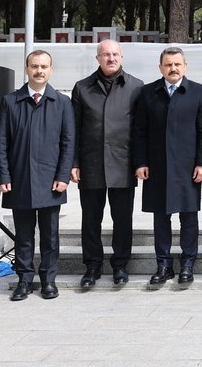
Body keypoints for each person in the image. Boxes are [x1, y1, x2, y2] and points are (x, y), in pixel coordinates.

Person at [0, 50, 75, 301]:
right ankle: (24, 281)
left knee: (50, 235)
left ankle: (49, 280)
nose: (39, 71)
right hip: (20, 179)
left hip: (52, 180)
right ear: (26, 69)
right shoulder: (10, 102)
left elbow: (68, 142)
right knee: (24, 235)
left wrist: (63, 175)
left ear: (51, 70)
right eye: (34, 66)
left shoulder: (62, 103)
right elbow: (0, 142)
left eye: (44, 66)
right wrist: (3, 175)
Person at [132, 47, 202, 286]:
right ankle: (163, 264)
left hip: (188, 167)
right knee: (161, 218)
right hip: (157, 166)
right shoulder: (148, 93)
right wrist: (140, 162)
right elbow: (139, 131)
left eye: (177, 64)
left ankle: (187, 264)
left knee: (189, 217)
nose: (173, 68)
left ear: (185, 66)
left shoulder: (198, 92)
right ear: (160, 68)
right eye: (168, 65)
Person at [70, 39, 143, 288]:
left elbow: (140, 130)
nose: (111, 58)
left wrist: (140, 162)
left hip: (123, 163)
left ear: (121, 57)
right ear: (97, 58)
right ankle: (92, 266)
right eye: (105, 54)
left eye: (115, 54)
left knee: (122, 219)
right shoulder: (82, 88)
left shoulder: (135, 86)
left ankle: (120, 265)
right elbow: (74, 129)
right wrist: (74, 162)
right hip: (91, 163)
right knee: (91, 219)